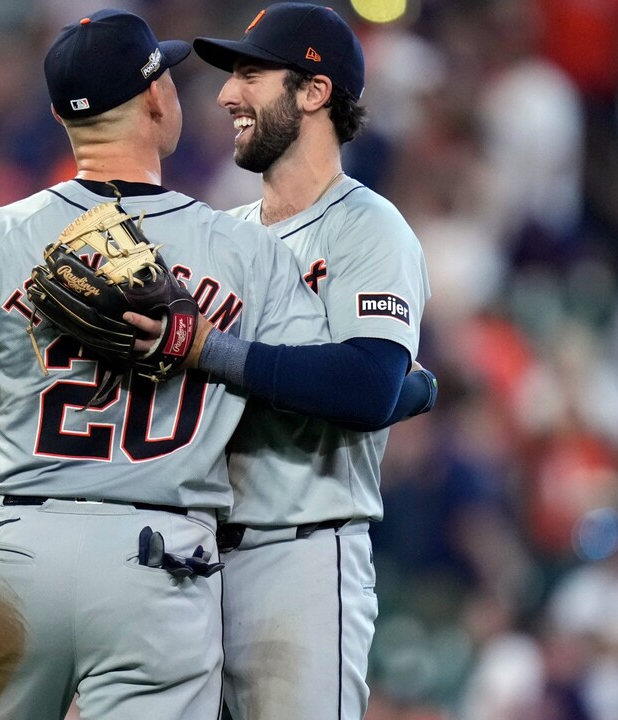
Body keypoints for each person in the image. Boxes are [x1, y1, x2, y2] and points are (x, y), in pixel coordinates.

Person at [0, 9, 336, 720]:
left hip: (21, 558)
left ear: (61, 115)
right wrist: (408, 385)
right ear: (154, 99)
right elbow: (322, 398)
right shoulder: (247, 253)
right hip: (162, 567)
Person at [193, 5, 433, 718]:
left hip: (298, 560)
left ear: (313, 91)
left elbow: (361, 387)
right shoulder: (217, 235)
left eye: (250, 74)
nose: (227, 95)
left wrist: (210, 352)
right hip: (192, 560)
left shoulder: (369, 227)